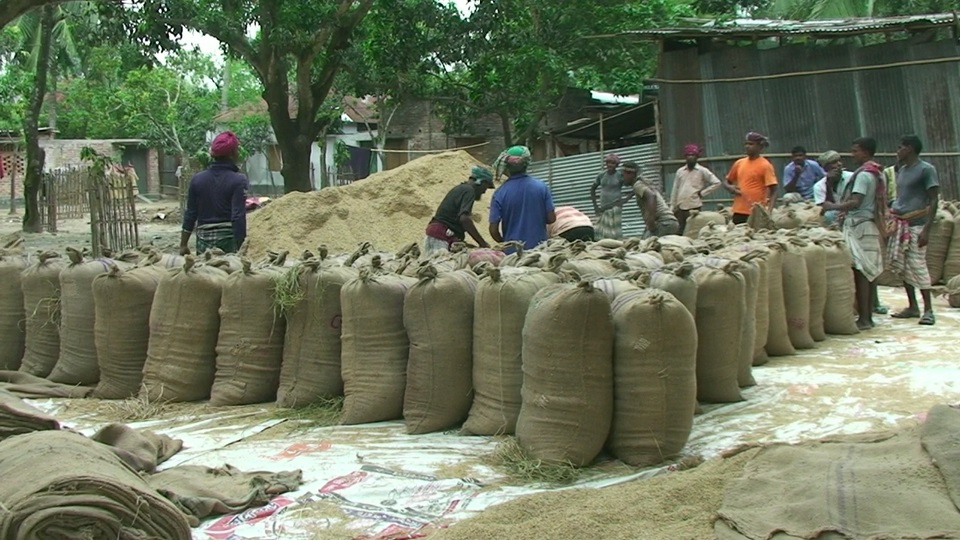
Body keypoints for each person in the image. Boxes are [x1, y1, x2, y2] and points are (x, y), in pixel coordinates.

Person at [822, 137, 886, 330]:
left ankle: (865, 318)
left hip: (859, 225)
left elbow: (856, 201)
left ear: (865, 152)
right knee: (868, 272)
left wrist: (833, 206)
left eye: (855, 150)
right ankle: (868, 315)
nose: (852, 154)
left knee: (861, 272)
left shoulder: (864, 175)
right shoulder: (877, 172)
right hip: (869, 224)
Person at [887, 134, 940, 326]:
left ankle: (928, 310)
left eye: (900, 147)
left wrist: (927, 229)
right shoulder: (901, 169)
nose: (897, 151)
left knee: (918, 266)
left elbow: (933, 200)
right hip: (901, 224)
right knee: (903, 267)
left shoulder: (926, 170)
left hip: (917, 224)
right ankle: (912, 306)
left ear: (909, 148)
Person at [180, 131, 248, 255]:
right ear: (233, 154)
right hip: (228, 241)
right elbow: (237, 216)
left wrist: (183, 244)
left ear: (212, 153)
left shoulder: (197, 180)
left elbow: (190, 213)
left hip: (203, 242)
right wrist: (241, 245)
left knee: (206, 272)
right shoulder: (238, 180)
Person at [489, 145, 556, 250]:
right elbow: (551, 218)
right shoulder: (541, 187)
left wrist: (505, 242)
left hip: (513, 255)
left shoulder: (500, 193)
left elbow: (493, 230)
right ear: (527, 164)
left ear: (507, 166)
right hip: (540, 252)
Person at [423, 165, 495, 254]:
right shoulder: (469, 191)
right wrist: (482, 243)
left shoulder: (461, 188)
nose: (484, 191)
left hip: (437, 234)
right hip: (441, 236)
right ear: (481, 182)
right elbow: (464, 219)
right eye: (486, 187)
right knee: (441, 266)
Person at [725, 132, 778, 225]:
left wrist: (769, 211)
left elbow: (774, 191)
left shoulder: (765, 165)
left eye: (751, 144)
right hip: (739, 210)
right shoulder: (739, 163)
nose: (747, 146)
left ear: (760, 147)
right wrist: (730, 187)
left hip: (756, 211)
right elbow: (726, 181)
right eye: (746, 143)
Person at [670, 143, 722, 234]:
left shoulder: (702, 170)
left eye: (693, 155)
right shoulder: (680, 171)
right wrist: (672, 206)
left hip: (694, 206)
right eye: (688, 155)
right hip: (680, 206)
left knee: (693, 231)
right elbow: (675, 188)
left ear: (697, 157)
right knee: (679, 231)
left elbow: (717, 182)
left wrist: (702, 193)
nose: (690, 157)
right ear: (685, 157)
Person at [621, 161, 680, 238]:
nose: (622, 178)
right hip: (671, 223)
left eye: (623, 175)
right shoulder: (642, 184)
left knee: (644, 245)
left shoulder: (638, 185)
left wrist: (651, 221)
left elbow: (651, 196)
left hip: (664, 223)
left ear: (631, 174)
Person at [590, 153, 631, 239]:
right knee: (601, 231)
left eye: (612, 163)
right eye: (608, 163)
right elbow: (593, 189)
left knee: (614, 231)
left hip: (615, 206)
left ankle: (616, 246)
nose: (610, 165)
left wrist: (626, 199)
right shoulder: (601, 175)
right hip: (603, 207)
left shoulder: (620, 175)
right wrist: (595, 206)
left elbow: (633, 185)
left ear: (616, 165)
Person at [812, 150, 851, 226]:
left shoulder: (851, 177)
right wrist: (829, 183)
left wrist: (844, 209)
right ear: (826, 168)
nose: (839, 164)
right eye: (834, 162)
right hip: (836, 214)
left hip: (852, 211)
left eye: (839, 161)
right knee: (828, 215)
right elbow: (824, 208)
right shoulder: (819, 186)